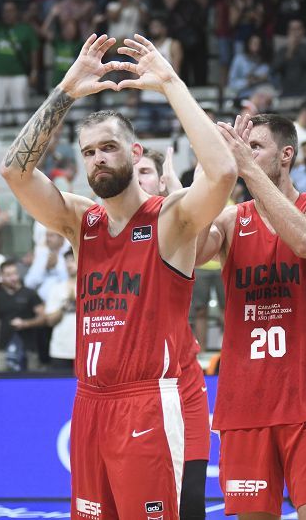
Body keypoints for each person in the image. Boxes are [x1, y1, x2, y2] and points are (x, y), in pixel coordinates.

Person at [1, 33, 236, 520]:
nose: (98, 159)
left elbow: (222, 173)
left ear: (133, 151)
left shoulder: (169, 220)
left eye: (108, 148)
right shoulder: (79, 222)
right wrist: (67, 88)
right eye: (88, 153)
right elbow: (14, 173)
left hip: (148, 402)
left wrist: (170, 82)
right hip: (89, 402)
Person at [196, 113, 306, 520]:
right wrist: (208, 177)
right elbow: (188, 255)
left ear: (286, 155)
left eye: (255, 146)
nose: (244, 151)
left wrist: (244, 166)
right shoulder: (231, 220)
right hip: (244, 404)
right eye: (241, 145)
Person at [133, 146, 212, 520]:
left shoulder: (174, 227)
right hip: (136, 389)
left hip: (184, 385)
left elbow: (196, 233)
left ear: (160, 181)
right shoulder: (103, 229)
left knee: (191, 500)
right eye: (131, 170)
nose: (137, 177)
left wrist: (181, 190)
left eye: (146, 171)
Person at [0, 260, 45, 372]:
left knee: (30, 384)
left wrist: (26, 323)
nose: (13, 278)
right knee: (3, 383)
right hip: (3, 348)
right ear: (1, 276)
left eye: (15, 273)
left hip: (28, 348)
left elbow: (43, 318)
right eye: (8, 275)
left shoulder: (30, 294)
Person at [44, 249, 78, 372]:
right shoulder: (56, 288)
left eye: (73, 260)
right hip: (61, 350)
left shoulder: (93, 286)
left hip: (85, 350)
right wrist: (65, 306)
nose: (69, 264)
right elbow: (49, 321)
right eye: (67, 261)